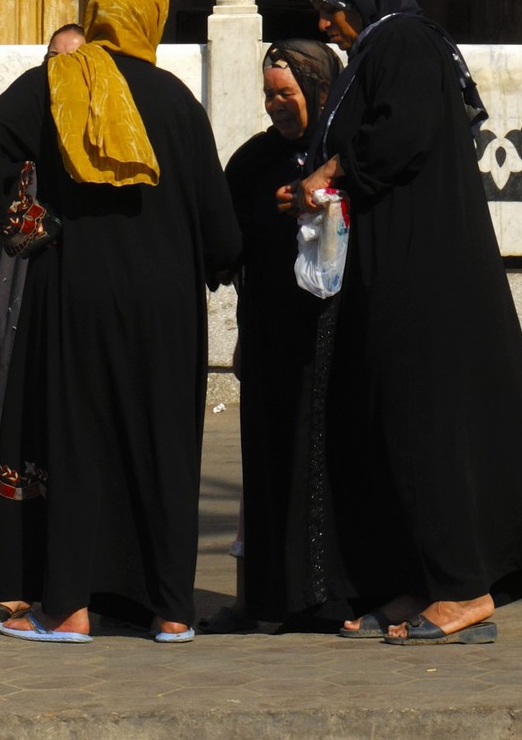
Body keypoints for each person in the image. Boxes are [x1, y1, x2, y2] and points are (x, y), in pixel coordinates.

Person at [295, 0, 522, 643]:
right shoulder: (383, 48)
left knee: (427, 427)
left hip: (424, 274)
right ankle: (411, 578)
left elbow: (401, 135)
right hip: (393, 265)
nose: (326, 23)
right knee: (388, 423)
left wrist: (333, 170)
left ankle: (463, 586)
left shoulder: (407, 42)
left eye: (332, 7)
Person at [0, 0, 241, 643]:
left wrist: (26, 221)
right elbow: (221, 231)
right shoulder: (178, 102)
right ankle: (172, 609)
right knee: (161, 443)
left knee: (77, 438)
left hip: (77, 291)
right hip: (168, 306)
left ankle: (70, 607)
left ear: (96, 13)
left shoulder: (60, 80)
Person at [0, 23, 86, 636]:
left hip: (80, 330)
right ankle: (15, 584)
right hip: (14, 319)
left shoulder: (100, 151)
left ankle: (80, 583)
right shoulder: (4, 154)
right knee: (16, 450)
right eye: (55, 62)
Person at [215, 40, 350, 632]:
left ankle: (327, 599)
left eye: (286, 94)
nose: (275, 105)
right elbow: (228, 246)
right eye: (268, 94)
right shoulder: (252, 163)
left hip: (331, 340)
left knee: (324, 464)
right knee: (267, 462)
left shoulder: (345, 158)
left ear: (320, 92)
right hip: (270, 335)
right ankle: (265, 599)